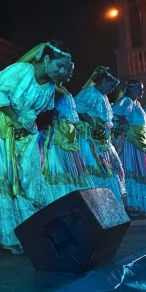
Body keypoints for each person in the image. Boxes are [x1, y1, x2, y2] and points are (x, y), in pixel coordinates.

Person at [0, 41, 72, 253]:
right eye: (59, 66)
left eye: (65, 68)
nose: (62, 72)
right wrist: (17, 119)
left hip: (20, 128)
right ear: (47, 60)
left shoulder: (49, 88)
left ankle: (20, 227)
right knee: (2, 171)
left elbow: (36, 113)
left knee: (23, 175)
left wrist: (26, 125)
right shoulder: (22, 70)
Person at [37, 60, 96, 205]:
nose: (71, 73)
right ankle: (59, 202)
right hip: (57, 135)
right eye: (68, 69)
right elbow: (46, 110)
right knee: (58, 167)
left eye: (72, 70)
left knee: (73, 170)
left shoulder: (64, 90)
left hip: (70, 134)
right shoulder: (51, 88)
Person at [112, 80, 146, 216]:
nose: (142, 91)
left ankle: (143, 203)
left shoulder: (136, 103)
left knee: (143, 169)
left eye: (142, 89)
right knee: (134, 168)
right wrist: (124, 122)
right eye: (139, 89)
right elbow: (114, 111)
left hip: (139, 141)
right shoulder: (126, 101)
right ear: (130, 89)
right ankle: (133, 204)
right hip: (131, 142)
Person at [74, 66, 125, 203]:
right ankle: (97, 202)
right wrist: (93, 122)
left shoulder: (104, 96)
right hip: (91, 138)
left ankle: (109, 202)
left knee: (112, 167)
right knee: (98, 167)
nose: (113, 89)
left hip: (103, 138)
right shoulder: (90, 92)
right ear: (103, 81)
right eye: (111, 85)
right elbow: (77, 109)